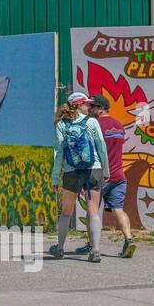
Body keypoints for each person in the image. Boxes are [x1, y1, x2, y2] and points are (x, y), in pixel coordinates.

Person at [49, 91, 109, 260]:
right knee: (93, 211)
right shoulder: (92, 122)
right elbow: (101, 147)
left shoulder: (62, 125)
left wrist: (55, 177)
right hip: (94, 169)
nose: (90, 107)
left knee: (66, 212)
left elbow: (58, 153)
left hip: (71, 170)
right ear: (77, 105)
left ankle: (60, 248)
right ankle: (95, 250)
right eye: (87, 104)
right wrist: (106, 171)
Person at [87, 95, 135, 258]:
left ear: (101, 109)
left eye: (92, 107)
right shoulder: (119, 125)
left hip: (100, 174)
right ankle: (129, 239)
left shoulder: (94, 125)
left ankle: (92, 246)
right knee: (118, 209)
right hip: (119, 175)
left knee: (92, 210)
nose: (90, 109)